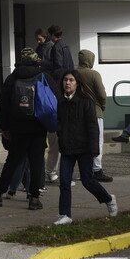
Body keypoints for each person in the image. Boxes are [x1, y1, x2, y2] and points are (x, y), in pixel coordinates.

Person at [0, 48, 56, 211]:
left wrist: (5, 127)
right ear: (36, 59)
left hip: (17, 128)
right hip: (38, 127)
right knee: (36, 162)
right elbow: (54, 99)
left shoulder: (12, 78)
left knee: (12, 161)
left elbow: (3, 105)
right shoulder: (43, 76)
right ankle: (34, 198)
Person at [54, 70, 117, 225]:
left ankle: (108, 199)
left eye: (71, 80)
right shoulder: (61, 102)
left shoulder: (86, 101)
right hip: (68, 148)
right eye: (65, 80)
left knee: (88, 181)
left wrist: (94, 149)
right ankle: (65, 215)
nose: (67, 83)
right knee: (64, 182)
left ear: (77, 83)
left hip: (84, 148)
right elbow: (60, 124)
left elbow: (92, 127)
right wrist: (61, 138)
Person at [76, 50, 112, 182]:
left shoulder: (73, 73)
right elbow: (102, 94)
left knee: (82, 142)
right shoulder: (94, 74)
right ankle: (97, 169)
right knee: (97, 141)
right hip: (94, 111)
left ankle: (85, 169)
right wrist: (102, 107)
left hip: (77, 113)